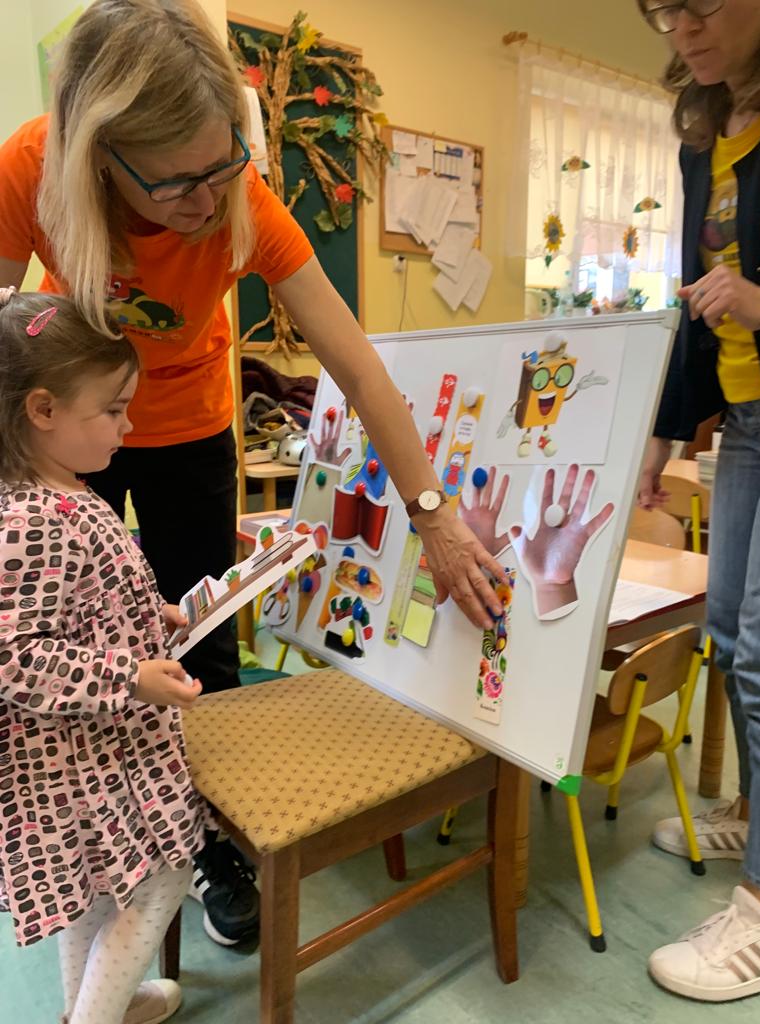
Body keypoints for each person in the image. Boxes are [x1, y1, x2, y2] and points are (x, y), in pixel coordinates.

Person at [0, 0, 505, 946]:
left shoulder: (244, 201)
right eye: (177, 183)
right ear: (102, 157)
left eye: (225, 163)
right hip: (71, 436)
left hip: (194, 424)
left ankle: (211, 847)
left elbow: (359, 370)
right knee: (88, 650)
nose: (207, 202)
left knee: (203, 640)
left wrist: (435, 515)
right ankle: (105, 849)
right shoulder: (30, 165)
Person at [0, 289, 209, 1024]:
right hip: (82, 760)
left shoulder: (62, 493)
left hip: (98, 748)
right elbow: (14, 657)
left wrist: (150, 613)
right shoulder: (32, 517)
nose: (129, 426)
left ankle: (86, 1009)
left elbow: (78, 602)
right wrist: (130, 676)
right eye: (114, 410)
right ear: (43, 410)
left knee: (96, 889)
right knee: (164, 873)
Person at [636, 0, 760, 1003]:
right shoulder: (704, 143)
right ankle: (756, 819)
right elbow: (693, 311)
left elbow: (739, 298)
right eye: (663, 10)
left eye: (702, 2)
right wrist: (661, 441)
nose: (683, 27)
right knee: (726, 633)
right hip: (748, 424)